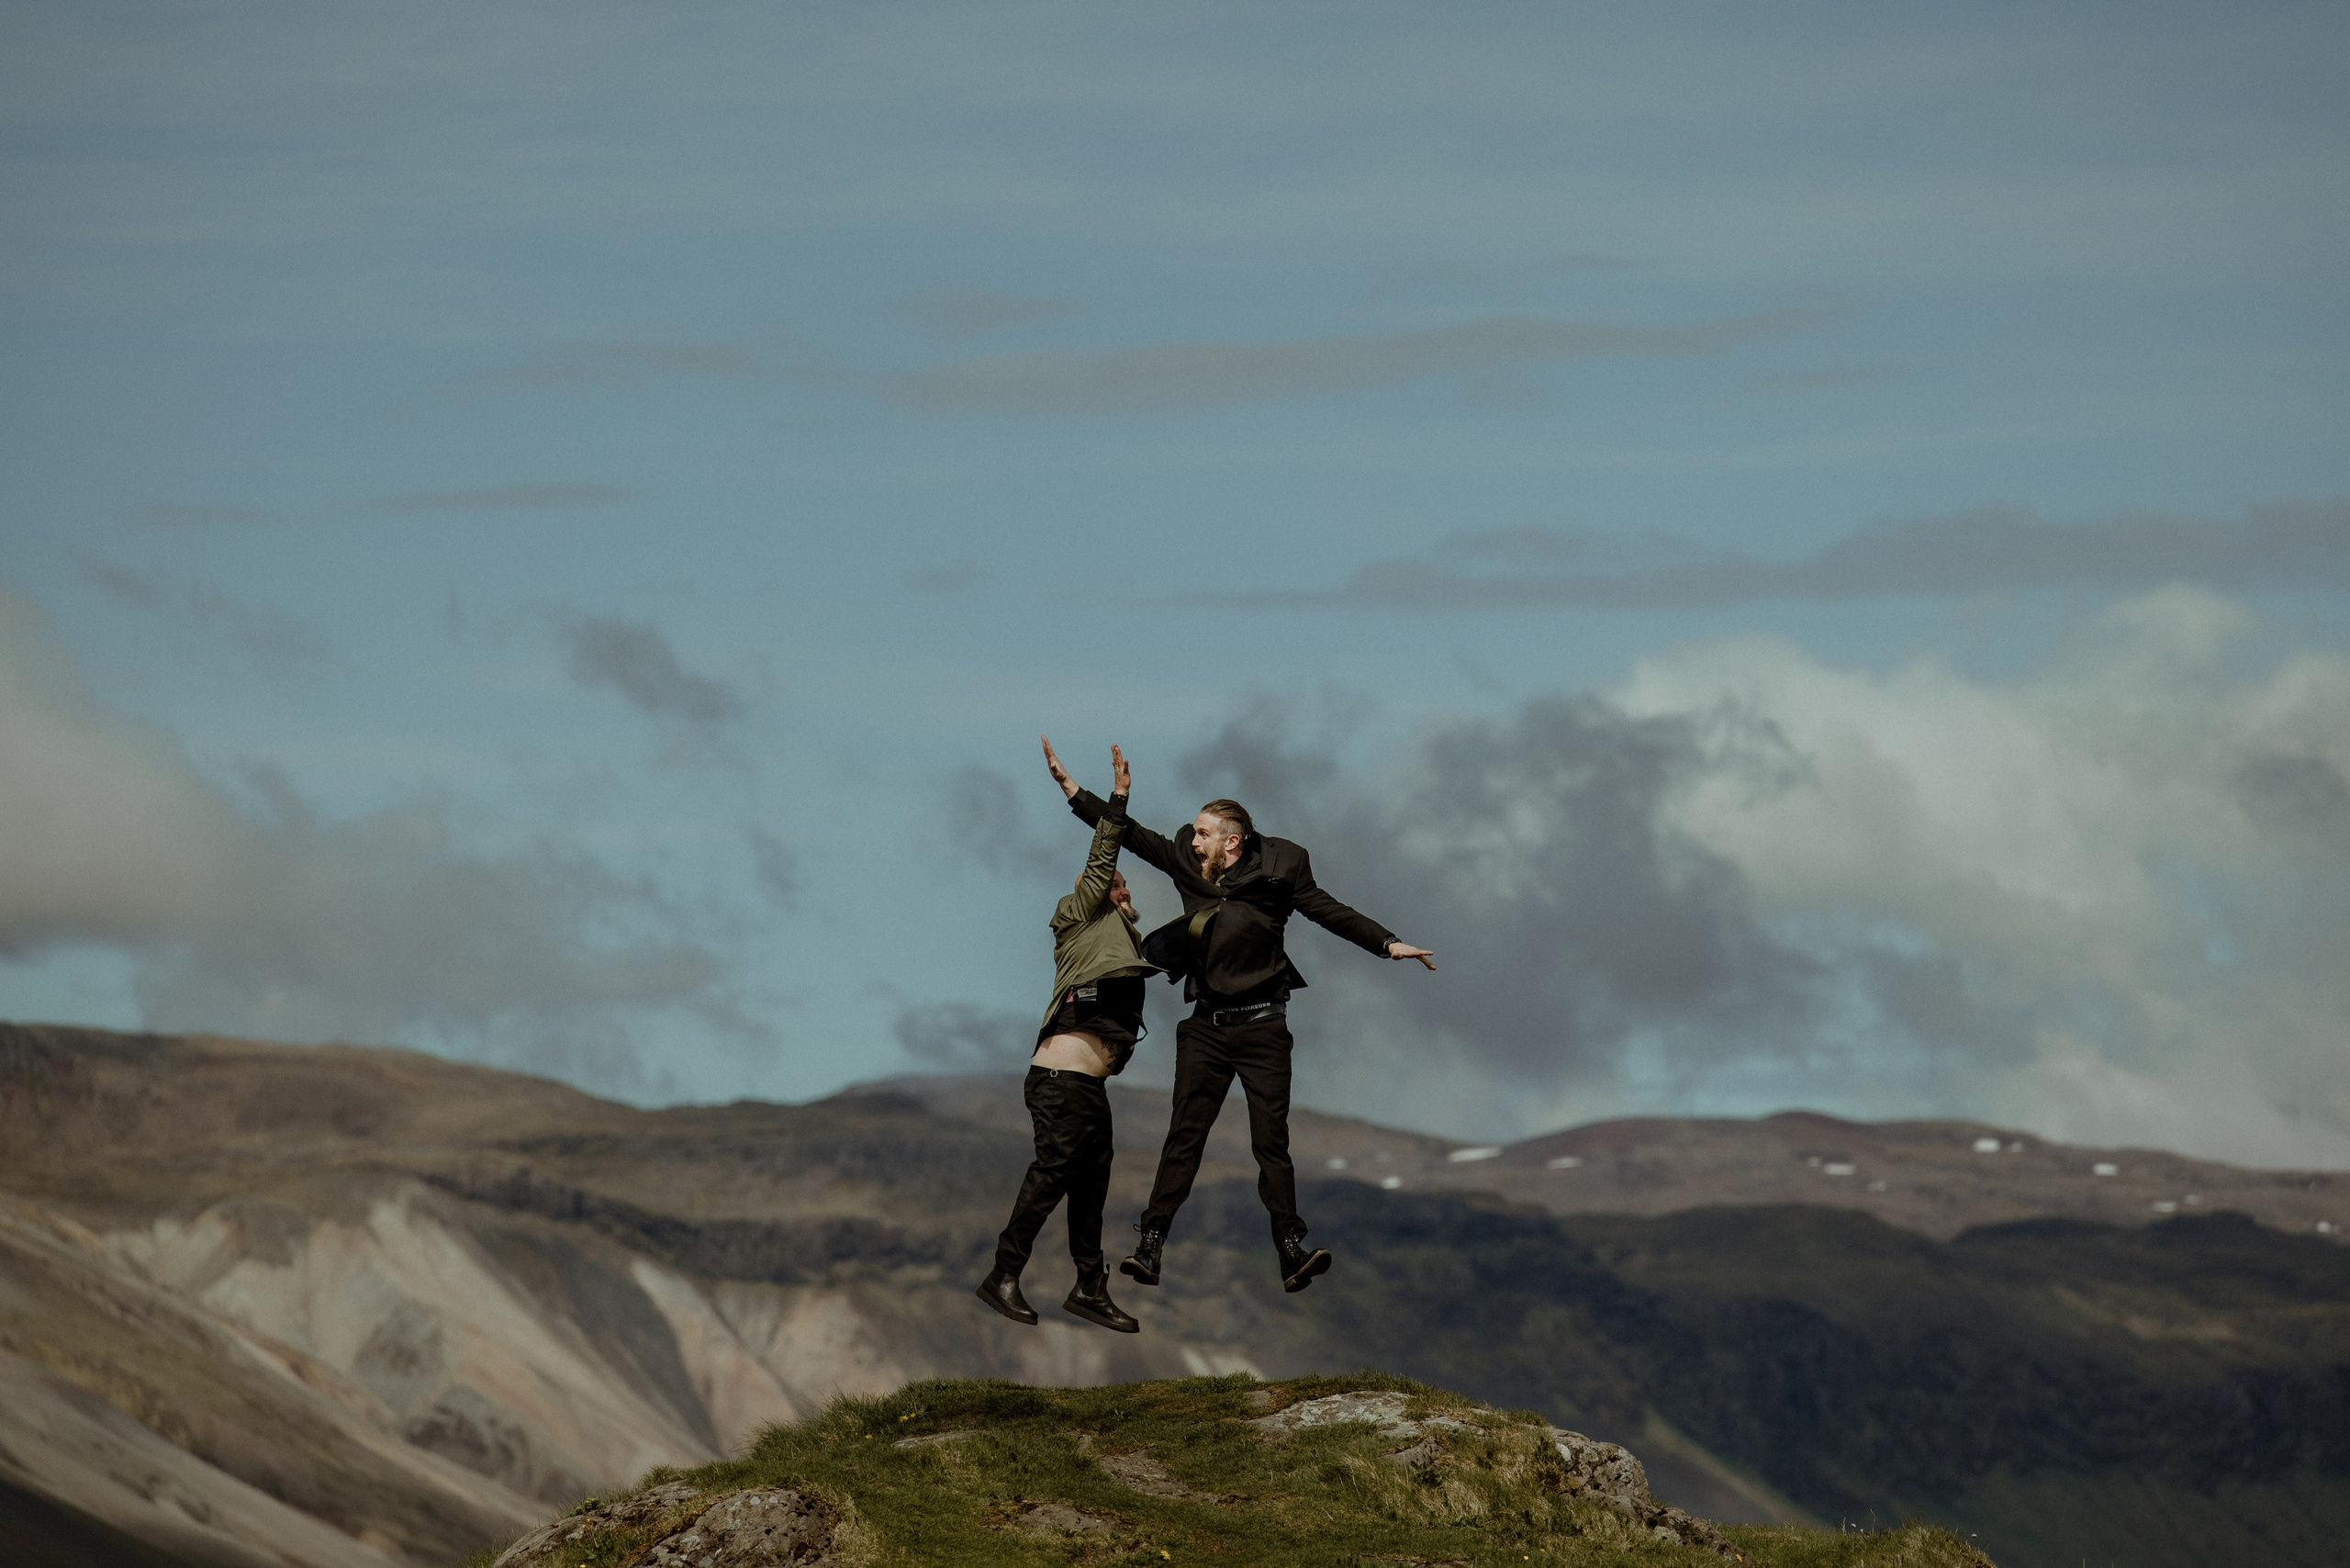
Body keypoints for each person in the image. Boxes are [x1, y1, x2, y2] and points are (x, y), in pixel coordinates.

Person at [1040, 736, 1434, 1295]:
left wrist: (1388, 943)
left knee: (1270, 1141)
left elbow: (1327, 909)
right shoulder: (1186, 861)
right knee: (1185, 1137)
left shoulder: (1282, 868)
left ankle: (1291, 1248)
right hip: (1206, 1027)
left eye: (1203, 833)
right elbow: (1128, 836)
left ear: (1233, 841)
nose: (1191, 839)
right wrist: (1077, 791)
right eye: (1194, 832)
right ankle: (1151, 1244)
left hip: (1264, 1026)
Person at [976, 743, 1159, 1334]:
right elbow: (1103, 855)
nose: (1114, 884)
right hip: (1059, 1081)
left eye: (1119, 883)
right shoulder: (1078, 916)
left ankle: (1088, 1286)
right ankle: (1003, 1274)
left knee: (1092, 1181)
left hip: (1088, 1087)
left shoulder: (1128, 944)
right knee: (1054, 1170)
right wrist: (1117, 794)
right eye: (1104, 881)